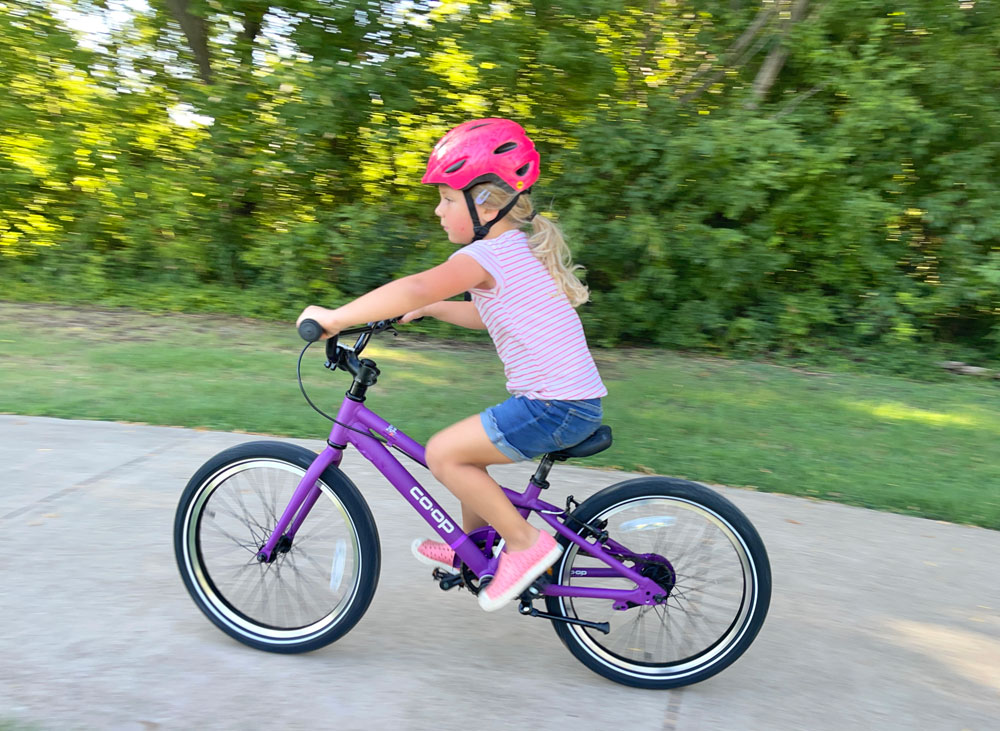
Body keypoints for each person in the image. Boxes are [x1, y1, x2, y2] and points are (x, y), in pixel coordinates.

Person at [296, 118, 607, 612]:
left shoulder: (485, 254)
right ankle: (473, 549)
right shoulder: (513, 251)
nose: (438, 211)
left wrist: (334, 319)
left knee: (444, 454)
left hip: (554, 406)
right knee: (466, 449)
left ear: (484, 202)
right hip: (564, 401)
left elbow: (417, 284)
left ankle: (526, 546)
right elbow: (489, 316)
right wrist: (437, 309)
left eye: (445, 198)